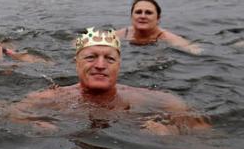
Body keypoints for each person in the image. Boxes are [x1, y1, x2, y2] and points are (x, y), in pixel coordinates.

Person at [12, 28, 209, 135]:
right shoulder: (49, 97)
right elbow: (10, 115)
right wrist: (33, 125)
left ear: (119, 65)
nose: (100, 65)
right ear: (76, 63)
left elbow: (204, 136)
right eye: (91, 57)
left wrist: (171, 135)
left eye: (109, 59)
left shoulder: (151, 99)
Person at [115, 0, 202, 55]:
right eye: (138, 12)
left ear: (158, 18)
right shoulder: (123, 33)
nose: (143, 16)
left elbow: (195, 50)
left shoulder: (167, 37)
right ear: (131, 16)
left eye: (148, 13)